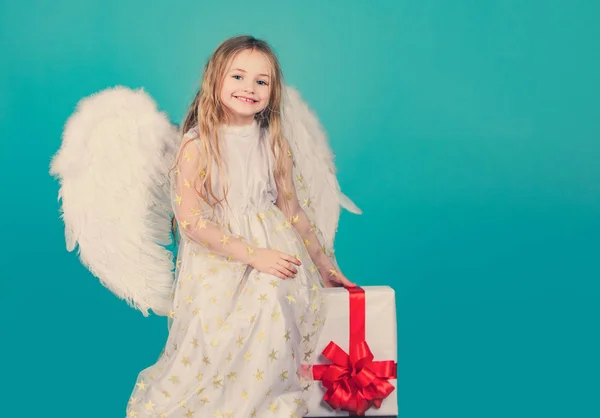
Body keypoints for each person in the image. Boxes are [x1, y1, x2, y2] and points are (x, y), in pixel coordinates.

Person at [124, 35, 356, 418]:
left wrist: (326, 267)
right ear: (215, 80)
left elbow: (293, 211)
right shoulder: (197, 145)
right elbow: (192, 222)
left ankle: (265, 407)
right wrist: (255, 256)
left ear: (273, 91)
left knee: (273, 309)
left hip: (275, 248)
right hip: (220, 261)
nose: (249, 88)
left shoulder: (275, 144)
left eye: (261, 81)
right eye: (238, 76)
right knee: (223, 341)